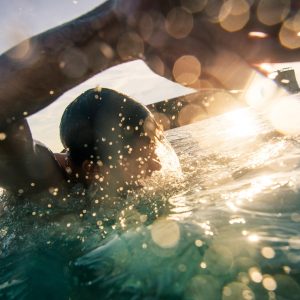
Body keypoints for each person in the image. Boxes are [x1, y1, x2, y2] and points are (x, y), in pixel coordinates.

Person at [0, 87, 162, 200]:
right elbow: (4, 108)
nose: (157, 166)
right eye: (143, 159)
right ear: (92, 169)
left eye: (153, 152)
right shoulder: (39, 178)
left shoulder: (93, 179)